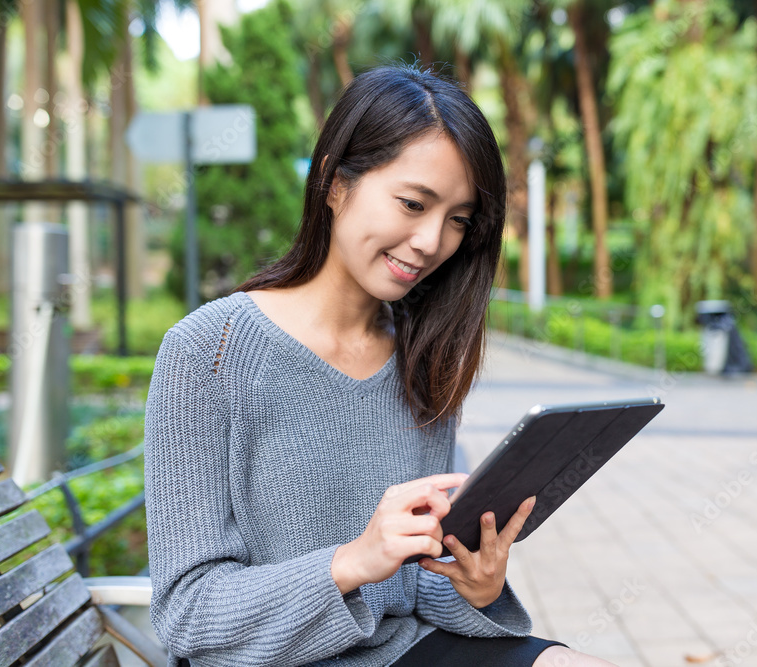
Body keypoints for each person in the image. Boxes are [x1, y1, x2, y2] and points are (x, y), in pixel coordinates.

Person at [144, 63, 616, 667]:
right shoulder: (207, 352)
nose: (429, 241)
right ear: (334, 182)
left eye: (457, 219)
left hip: (397, 652)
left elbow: (413, 583)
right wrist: (352, 561)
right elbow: (188, 615)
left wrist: (475, 587)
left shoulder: (423, 355)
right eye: (413, 203)